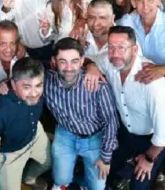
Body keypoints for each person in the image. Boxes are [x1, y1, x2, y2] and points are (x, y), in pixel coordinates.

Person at [89, 26, 165, 190]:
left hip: (152, 141)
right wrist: (91, 66)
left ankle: (157, 173)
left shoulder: (155, 84)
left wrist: (149, 159)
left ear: (135, 49)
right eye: (111, 47)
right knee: (111, 167)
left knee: (140, 184)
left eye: (121, 48)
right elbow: (89, 58)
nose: (115, 53)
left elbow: (164, 134)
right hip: (125, 132)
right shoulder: (110, 60)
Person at [46, 37, 120, 190]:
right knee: (60, 179)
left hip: (94, 138)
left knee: (97, 187)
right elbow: (25, 78)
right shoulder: (46, 81)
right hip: (65, 133)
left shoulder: (98, 86)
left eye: (74, 61)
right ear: (54, 61)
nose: (68, 67)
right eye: (62, 61)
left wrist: (106, 158)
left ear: (82, 61)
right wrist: (6, 85)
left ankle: (84, 184)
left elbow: (111, 122)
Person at [0, 58, 52, 190]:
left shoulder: (38, 88)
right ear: (13, 83)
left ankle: (28, 178)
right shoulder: (0, 108)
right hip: (9, 155)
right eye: (26, 87)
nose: (34, 93)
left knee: (50, 162)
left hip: (35, 135)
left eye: (38, 85)